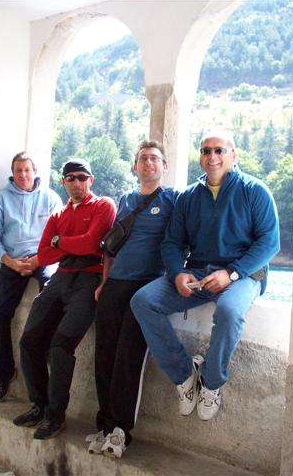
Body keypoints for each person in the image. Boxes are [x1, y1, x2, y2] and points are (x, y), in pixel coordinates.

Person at [131, 131, 280, 422]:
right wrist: (177, 273)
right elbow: (172, 242)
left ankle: (211, 383)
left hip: (243, 274)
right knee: (143, 301)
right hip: (199, 272)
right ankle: (184, 374)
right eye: (206, 150)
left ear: (233, 155)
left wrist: (232, 273)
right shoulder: (189, 196)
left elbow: (270, 243)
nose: (212, 156)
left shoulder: (255, 190)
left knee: (229, 312)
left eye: (219, 150)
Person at [13, 158, 116, 440]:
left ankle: (55, 417)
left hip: (88, 280)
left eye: (82, 177)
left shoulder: (103, 205)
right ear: (63, 182)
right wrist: (67, 245)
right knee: (29, 341)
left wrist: (59, 241)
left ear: (90, 180)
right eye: (70, 178)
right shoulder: (58, 215)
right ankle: (39, 405)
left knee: (60, 346)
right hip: (60, 278)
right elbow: (45, 254)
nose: (76, 183)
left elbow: (91, 243)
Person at [87, 141, 177, 458]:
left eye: (154, 158)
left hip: (146, 287)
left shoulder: (173, 200)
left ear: (164, 165)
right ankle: (104, 425)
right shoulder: (126, 200)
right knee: (104, 352)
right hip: (116, 283)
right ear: (135, 166)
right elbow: (110, 246)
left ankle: (121, 431)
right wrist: (104, 281)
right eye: (143, 158)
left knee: (129, 356)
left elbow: (181, 241)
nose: (148, 162)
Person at [0, 152, 62, 402]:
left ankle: (45, 350)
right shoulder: (0, 200)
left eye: (27, 170)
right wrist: (9, 261)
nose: (23, 175)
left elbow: (59, 237)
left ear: (35, 172)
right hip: (12, 260)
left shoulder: (50, 199)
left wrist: (39, 259)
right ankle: (4, 371)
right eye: (18, 170)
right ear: (12, 173)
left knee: (52, 294)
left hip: (43, 258)